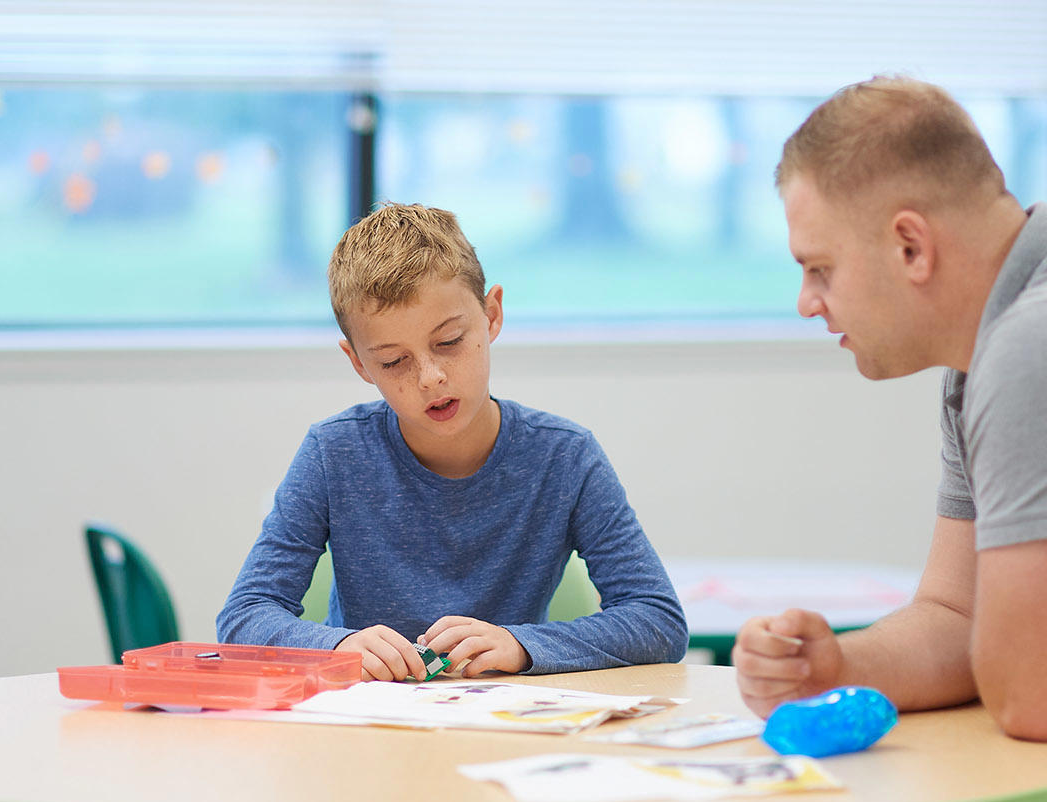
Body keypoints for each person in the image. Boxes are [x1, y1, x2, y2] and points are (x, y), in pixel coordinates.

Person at [216, 202, 687, 681]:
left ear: (492, 315)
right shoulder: (332, 453)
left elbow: (658, 620)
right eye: (394, 362)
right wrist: (338, 645)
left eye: (449, 342)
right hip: (365, 729)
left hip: (507, 730)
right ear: (358, 362)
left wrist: (522, 645)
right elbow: (244, 616)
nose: (431, 378)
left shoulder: (565, 456)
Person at [733, 76, 1047, 740]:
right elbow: (956, 613)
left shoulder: (1026, 348)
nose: (807, 302)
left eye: (820, 268)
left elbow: (1028, 694)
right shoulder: (984, 354)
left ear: (911, 246)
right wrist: (839, 665)